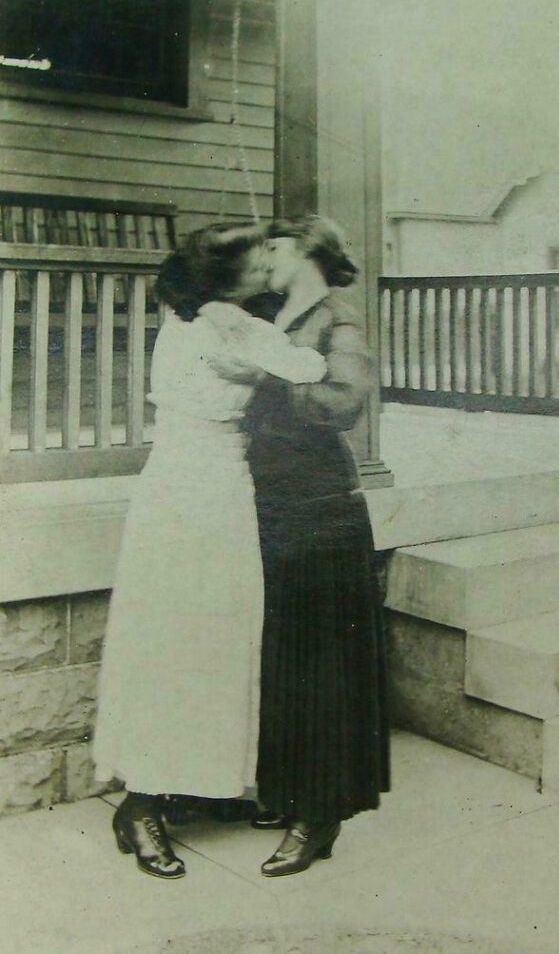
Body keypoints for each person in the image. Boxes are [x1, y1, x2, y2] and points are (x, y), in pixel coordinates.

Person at [92, 223, 327, 880]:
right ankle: (140, 806)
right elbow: (307, 367)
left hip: (196, 486)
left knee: (200, 637)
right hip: (197, 492)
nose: (265, 268)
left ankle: (177, 785)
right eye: (257, 261)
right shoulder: (222, 324)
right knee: (179, 637)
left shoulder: (198, 316)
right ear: (225, 277)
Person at [243, 215, 391, 878]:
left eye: (274, 245)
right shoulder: (278, 313)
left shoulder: (338, 318)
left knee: (324, 666)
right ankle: (289, 791)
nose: (264, 256)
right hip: (275, 504)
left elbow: (343, 402)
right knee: (287, 657)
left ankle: (319, 817)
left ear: (305, 250)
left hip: (322, 510)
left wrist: (275, 377)